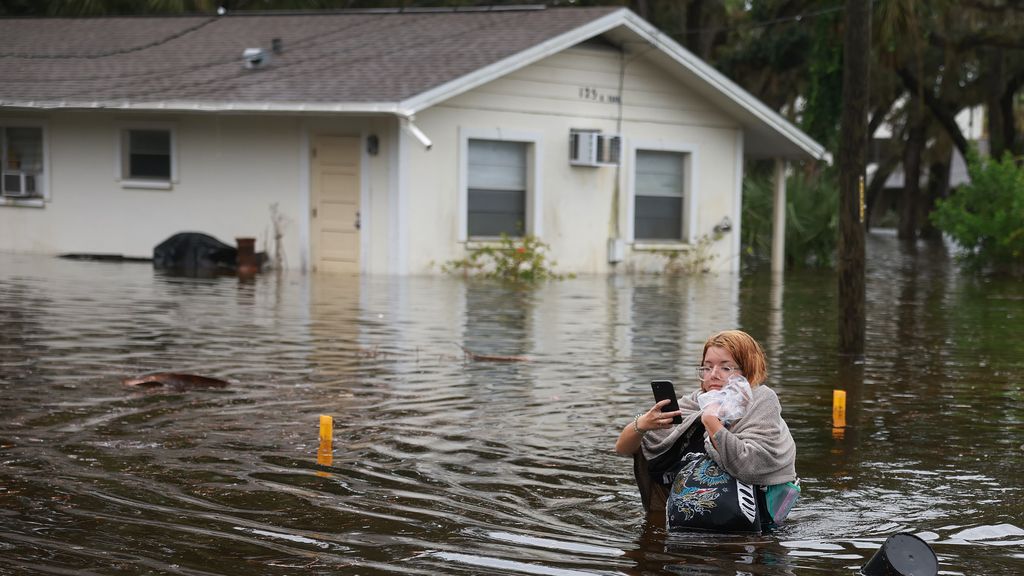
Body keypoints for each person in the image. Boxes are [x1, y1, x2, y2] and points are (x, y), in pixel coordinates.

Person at [614, 329, 797, 525]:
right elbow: (623, 449)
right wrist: (642, 425)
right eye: (707, 367)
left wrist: (711, 420)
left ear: (747, 369)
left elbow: (751, 464)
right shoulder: (695, 402)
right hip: (689, 516)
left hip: (751, 523)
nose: (713, 375)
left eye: (726, 368)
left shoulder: (761, 400)